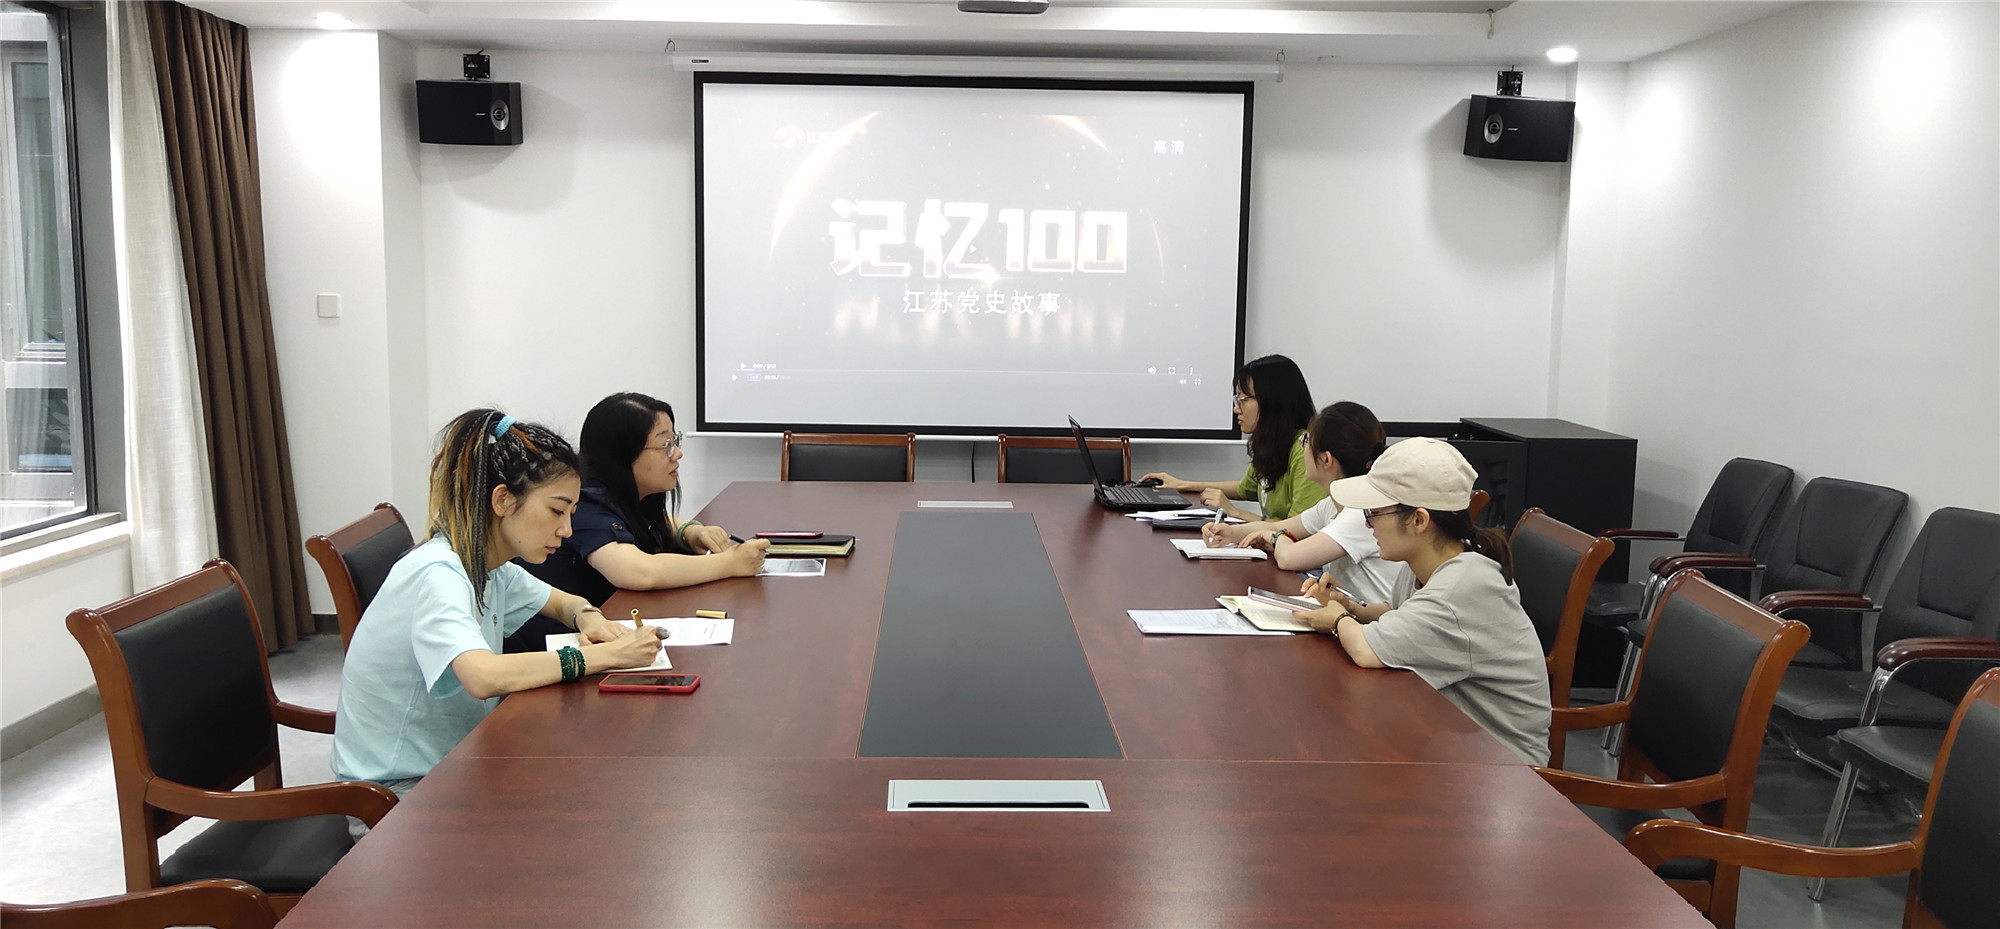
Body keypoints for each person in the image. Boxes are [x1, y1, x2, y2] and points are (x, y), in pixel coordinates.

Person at [331, 409, 667, 802]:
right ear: (503, 499)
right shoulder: (438, 574)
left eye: (571, 514)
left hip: (459, 761)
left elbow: (563, 603)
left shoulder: (490, 565)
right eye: (556, 511)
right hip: (399, 796)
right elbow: (482, 676)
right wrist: (605, 657)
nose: (566, 530)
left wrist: (588, 617)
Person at [1291, 437, 1552, 766]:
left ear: (1419, 520)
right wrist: (1350, 606)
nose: (1367, 524)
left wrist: (1337, 619)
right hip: (1453, 740)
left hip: (1505, 768)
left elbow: (1366, 650)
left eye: (1374, 513)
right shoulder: (1429, 561)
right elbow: (1398, 613)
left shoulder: (1462, 587)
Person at [507, 393, 767, 652]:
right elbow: (639, 572)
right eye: (665, 445)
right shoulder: (584, 502)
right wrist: (729, 563)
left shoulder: (628, 494)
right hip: (552, 648)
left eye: (675, 440)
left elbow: (647, 522)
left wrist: (689, 531)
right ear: (622, 455)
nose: (677, 453)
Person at [1202, 401, 1399, 605]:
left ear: (1326, 460)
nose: (1301, 446)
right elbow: (1278, 526)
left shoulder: (1360, 512)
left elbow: (1289, 557)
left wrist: (1276, 538)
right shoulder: (1332, 504)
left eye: (1306, 440)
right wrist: (1230, 532)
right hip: (1345, 610)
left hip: (1370, 619)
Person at [1141, 354, 1325, 522]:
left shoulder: (1305, 450)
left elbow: (1299, 531)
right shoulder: (1272, 443)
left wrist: (1234, 512)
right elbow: (1244, 489)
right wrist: (1183, 485)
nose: (1236, 409)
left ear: (1273, 401)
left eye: (1243, 400)